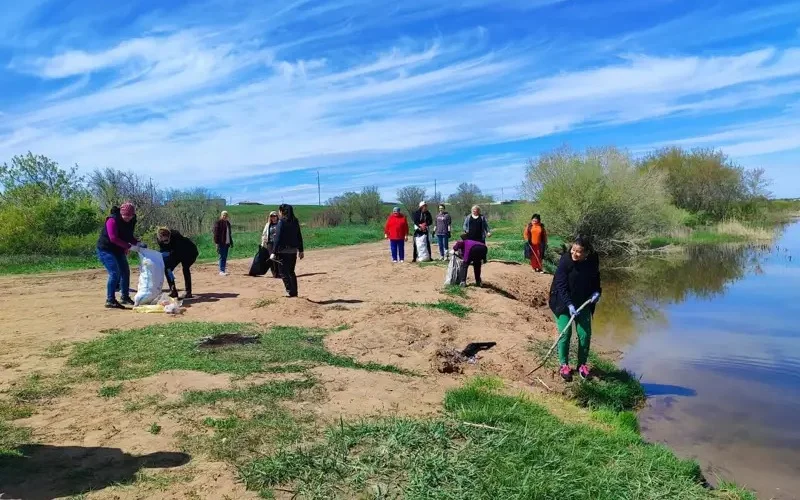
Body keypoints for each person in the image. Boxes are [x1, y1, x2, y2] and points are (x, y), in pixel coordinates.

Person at [548, 236, 602, 382]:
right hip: (563, 302)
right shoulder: (565, 261)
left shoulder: (592, 262)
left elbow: (596, 282)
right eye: (573, 249)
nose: (574, 253)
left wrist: (597, 293)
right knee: (565, 334)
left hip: (583, 302)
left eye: (578, 252)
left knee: (584, 335)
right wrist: (570, 305)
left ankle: (582, 365)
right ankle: (564, 365)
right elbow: (560, 286)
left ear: (586, 253)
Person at [96, 202, 141, 309]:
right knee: (114, 273)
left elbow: (129, 236)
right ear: (121, 213)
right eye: (126, 216)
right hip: (105, 249)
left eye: (130, 216)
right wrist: (128, 246)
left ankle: (125, 297)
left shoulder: (131, 221)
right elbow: (113, 238)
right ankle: (110, 300)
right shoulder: (112, 220)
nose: (128, 218)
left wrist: (138, 243)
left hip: (118, 249)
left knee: (125, 271)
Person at [270, 204, 304, 297]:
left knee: (282, 272)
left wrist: (273, 252)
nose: (279, 213)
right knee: (291, 271)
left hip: (283, 251)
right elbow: (299, 236)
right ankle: (295, 292)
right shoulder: (295, 221)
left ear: (283, 211)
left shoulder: (281, 222)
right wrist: (301, 250)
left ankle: (290, 291)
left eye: (279, 211)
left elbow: (277, 238)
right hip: (293, 251)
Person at [157, 227, 199, 299]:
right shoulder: (159, 240)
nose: (165, 242)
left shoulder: (176, 237)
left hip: (189, 252)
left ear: (169, 236)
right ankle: (173, 291)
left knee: (185, 268)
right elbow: (163, 250)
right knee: (167, 269)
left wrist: (169, 255)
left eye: (167, 240)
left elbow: (177, 253)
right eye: (163, 241)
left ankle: (188, 292)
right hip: (175, 253)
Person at [249, 211, 281, 278]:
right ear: (270, 217)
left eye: (274, 216)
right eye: (272, 216)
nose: (273, 217)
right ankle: (275, 273)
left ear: (277, 216)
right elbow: (264, 234)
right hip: (270, 243)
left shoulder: (280, 224)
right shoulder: (268, 225)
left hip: (278, 243)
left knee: (278, 257)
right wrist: (263, 242)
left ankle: (279, 273)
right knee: (272, 258)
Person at [212, 211, 233, 276]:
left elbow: (229, 234)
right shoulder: (218, 223)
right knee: (221, 256)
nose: (225, 216)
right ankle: (221, 271)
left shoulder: (228, 223)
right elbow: (216, 234)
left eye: (226, 215)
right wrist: (217, 243)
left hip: (227, 242)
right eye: (223, 215)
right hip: (221, 242)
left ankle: (223, 270)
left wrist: (231, 242)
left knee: (225, 257)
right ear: (221, 215)